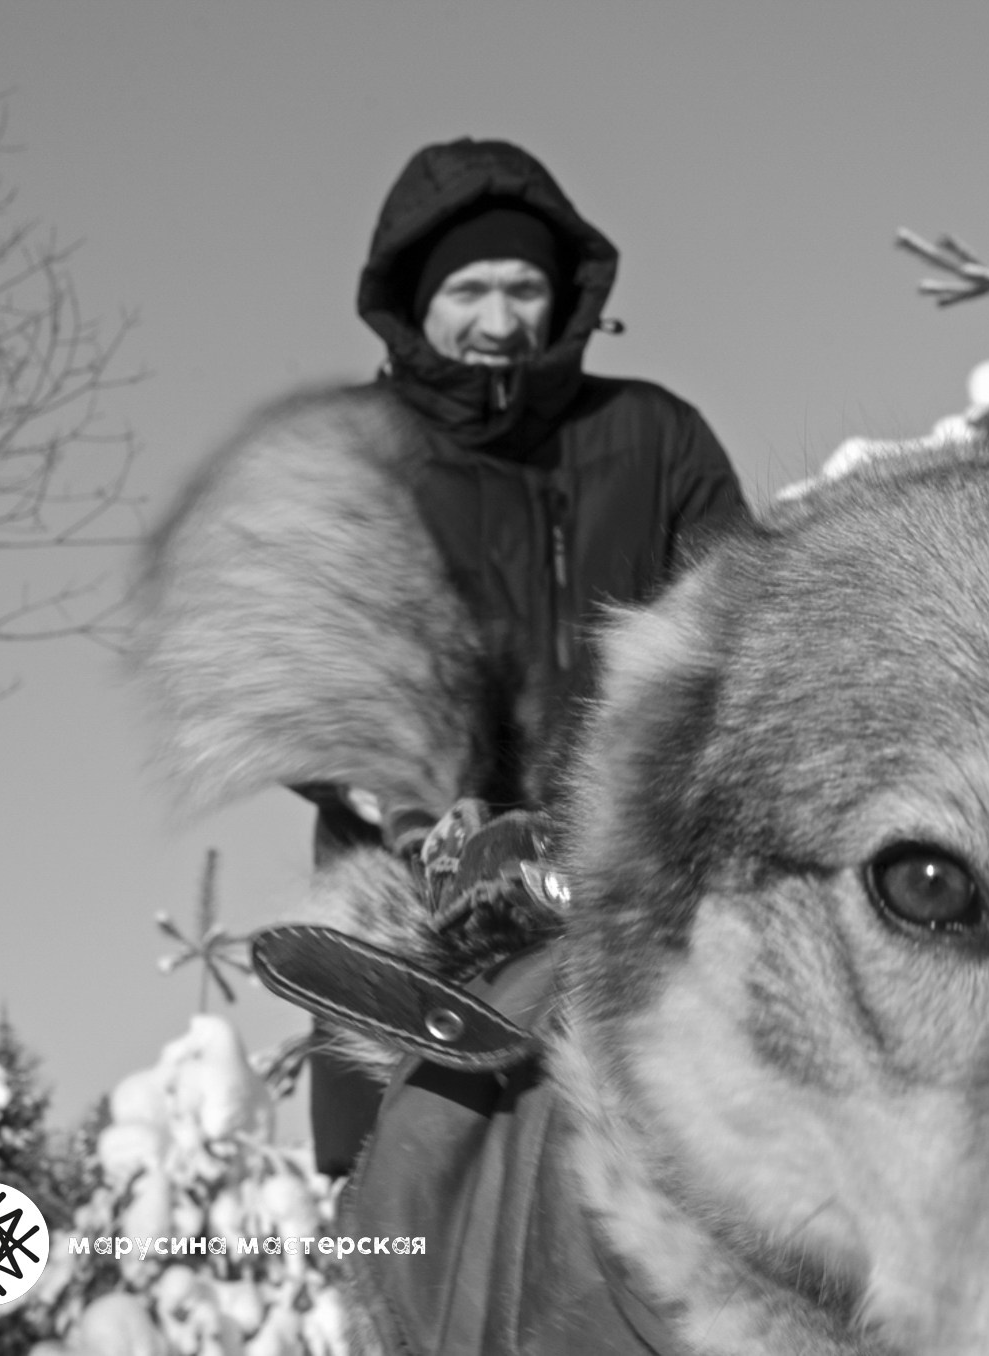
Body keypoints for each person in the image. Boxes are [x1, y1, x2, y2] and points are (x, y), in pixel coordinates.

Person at [302, 137, 750, 1172]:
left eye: (523, 287)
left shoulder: (652, 438)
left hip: (609, 879)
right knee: (410, 1224)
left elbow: (730, 638)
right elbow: (297, 663)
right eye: (468, 288)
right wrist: (419, 809)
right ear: (414, 304)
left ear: (566, 298)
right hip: (407, 904)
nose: (499, 320)